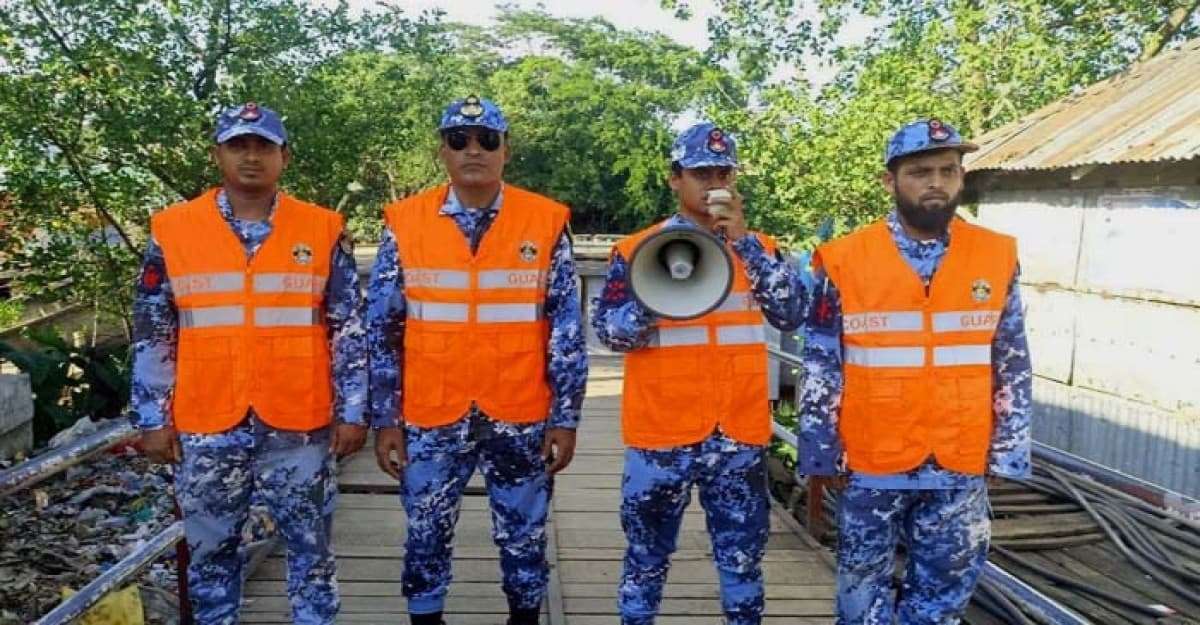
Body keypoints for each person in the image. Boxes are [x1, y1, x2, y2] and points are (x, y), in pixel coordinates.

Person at [130, 102, 368, 625]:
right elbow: (153, 331)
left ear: (285, 156)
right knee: (211, 555)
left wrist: (353, 411)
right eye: (239, 145)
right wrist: (151, 418)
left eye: (264, 146)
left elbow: (348, 328)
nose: (252, 157)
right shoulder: (173, 229)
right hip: (207, 422)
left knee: (311, 552)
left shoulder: (322, 228)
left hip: (299, 422)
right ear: (218, 154)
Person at [798, 119, 1033, 624]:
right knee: (861, 596)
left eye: (948, 171)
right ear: (891, 181)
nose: (936, 183)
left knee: (943, 599)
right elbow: (821, 362)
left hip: (958, 459)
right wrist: (819, 451)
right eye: (921, 172)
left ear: (962, 177)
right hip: (870, 461)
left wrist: (1009, 450)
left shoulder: (995, 255)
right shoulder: (843, 259)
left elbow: (1011, 359)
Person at [366, 95, 588, 625]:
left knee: (524, 531)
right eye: (459, 140)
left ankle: (524, 617)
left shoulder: (544, 220)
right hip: (430, 411)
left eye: (487, 140)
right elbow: (382, 328)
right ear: (442, 151)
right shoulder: (405, 222)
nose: (473, 150)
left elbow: (566, 328)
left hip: (519, 409)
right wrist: (385, 418)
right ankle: (426, 618)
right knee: (425, 528)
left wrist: (565, 416)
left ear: (506, 150)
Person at [591, 122, 806, 625]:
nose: (714, 183)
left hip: (736, 433)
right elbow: (611, 335)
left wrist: (744, 241)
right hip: (659, 434)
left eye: (723, 173)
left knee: (741, 561)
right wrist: (655, 294)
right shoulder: (636, 251)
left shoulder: (762, 248)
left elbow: (792, 313)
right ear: (675, 178)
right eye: (701, 173)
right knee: (645, 559)